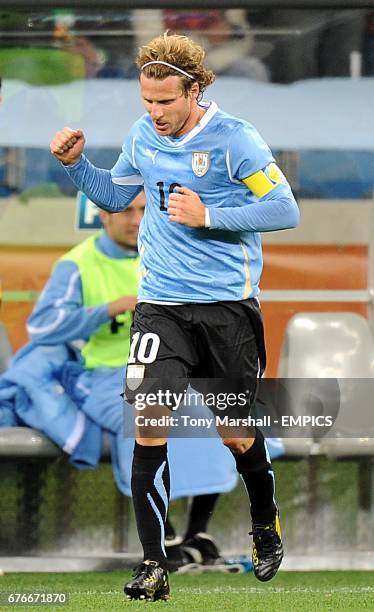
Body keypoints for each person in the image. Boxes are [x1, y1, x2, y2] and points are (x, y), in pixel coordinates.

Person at [50, 32, 299, 602]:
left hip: (226, 310)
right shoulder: (143, 136)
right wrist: (75, 165)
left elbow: (285, 208)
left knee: (235, 434)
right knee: (148, 423)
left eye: (166, 101)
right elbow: (113, 196)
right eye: (147, 102)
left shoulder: (236, 141)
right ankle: (153, 563)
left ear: (194, 89)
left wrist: (209, 213)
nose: (155, 113)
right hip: (160, 306)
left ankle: (265, 518)